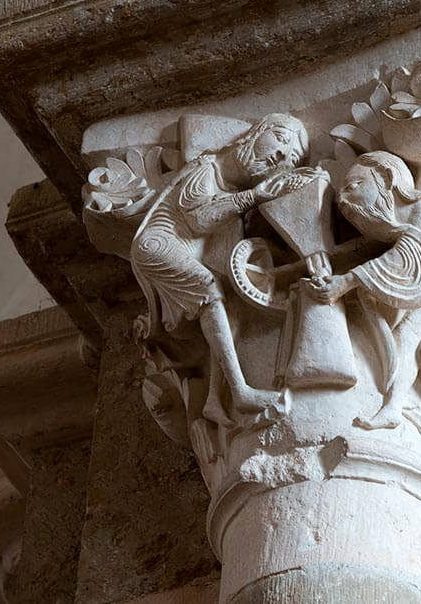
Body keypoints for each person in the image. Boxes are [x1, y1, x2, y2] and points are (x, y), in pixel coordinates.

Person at [131, 113, 316, 424]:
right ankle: (241, 391)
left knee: (226, 311)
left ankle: (216, 401)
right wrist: (256, 195)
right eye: (280, 140)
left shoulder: (232, 189)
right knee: (209, 289)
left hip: (186, 250)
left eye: (288, 157)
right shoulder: (208, 167)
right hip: (158, 243)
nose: (278, 155)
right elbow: (198, 219)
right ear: (256, 132)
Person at [312, 151, 421, 437]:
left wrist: (346, 282)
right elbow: (361, 250)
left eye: (354, 184)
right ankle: (392, 410)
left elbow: (408, 256)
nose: (344, 198)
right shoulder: (396, 226)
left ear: (386, 177)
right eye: (341, 194)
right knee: (405, 342)